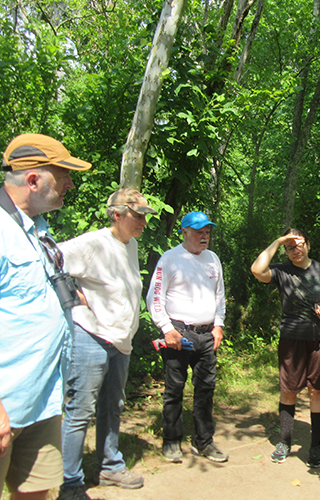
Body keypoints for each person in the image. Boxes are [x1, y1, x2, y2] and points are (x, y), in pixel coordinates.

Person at [0, 134, 91, 499]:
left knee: (38, 492)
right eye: (64, 176)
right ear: (33, 180)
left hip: (41, 403)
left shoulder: (37, 231)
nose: (70, 184)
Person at [57, 189, 158, 500]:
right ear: (117, 214)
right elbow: (51, 261)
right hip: (91, 335)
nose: (143, 221)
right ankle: (70, 482)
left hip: (121, 341)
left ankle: (109, 466)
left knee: (112, 406)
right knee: (80, 410)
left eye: (145, 216)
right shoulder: (93, 243)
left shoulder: (132, 245)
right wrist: (72, 298)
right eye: (138, 215)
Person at [146, 211, 228, 464]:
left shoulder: (213, 259)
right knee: (174, 390)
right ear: (184, 232)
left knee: (206, 390)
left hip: (207, 335)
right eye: (199, 232)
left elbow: (219, 296)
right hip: (178, 335)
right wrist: (166, 329)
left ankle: (204, 442)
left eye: (207, 232)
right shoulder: (170, 259)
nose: (205, 237)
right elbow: (154, 297)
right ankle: (171, 441)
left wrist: (219, 325)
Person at [250, 229, 320, 467]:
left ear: (308, 244)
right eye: (289, 247)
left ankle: (316, 446)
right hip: (292, 337)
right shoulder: (281, 270)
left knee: (317, 391)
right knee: (288, 390)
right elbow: (257, 270)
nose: (295, 251)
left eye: (298, 245)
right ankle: (284, 442)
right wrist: (278, 241)